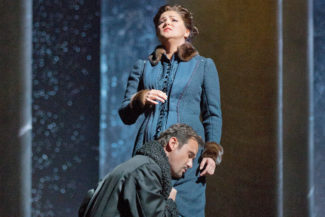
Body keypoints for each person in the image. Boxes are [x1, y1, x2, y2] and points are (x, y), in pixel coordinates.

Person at [118, 4, 223, 217]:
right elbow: (125, 115)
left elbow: (212, 114)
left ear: (187, 31)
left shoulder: (203, 66)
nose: (166, 23)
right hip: (148, 156)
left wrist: (211, 153)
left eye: (173, 20)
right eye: (162, 20)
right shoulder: (143, 66)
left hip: (187, 160)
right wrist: (141, 98)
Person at [78, 124, 203, 217]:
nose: (190, 164)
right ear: (173, 143)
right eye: (190, 155)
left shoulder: (133, 166)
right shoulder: (147, 170)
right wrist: (170, 202)